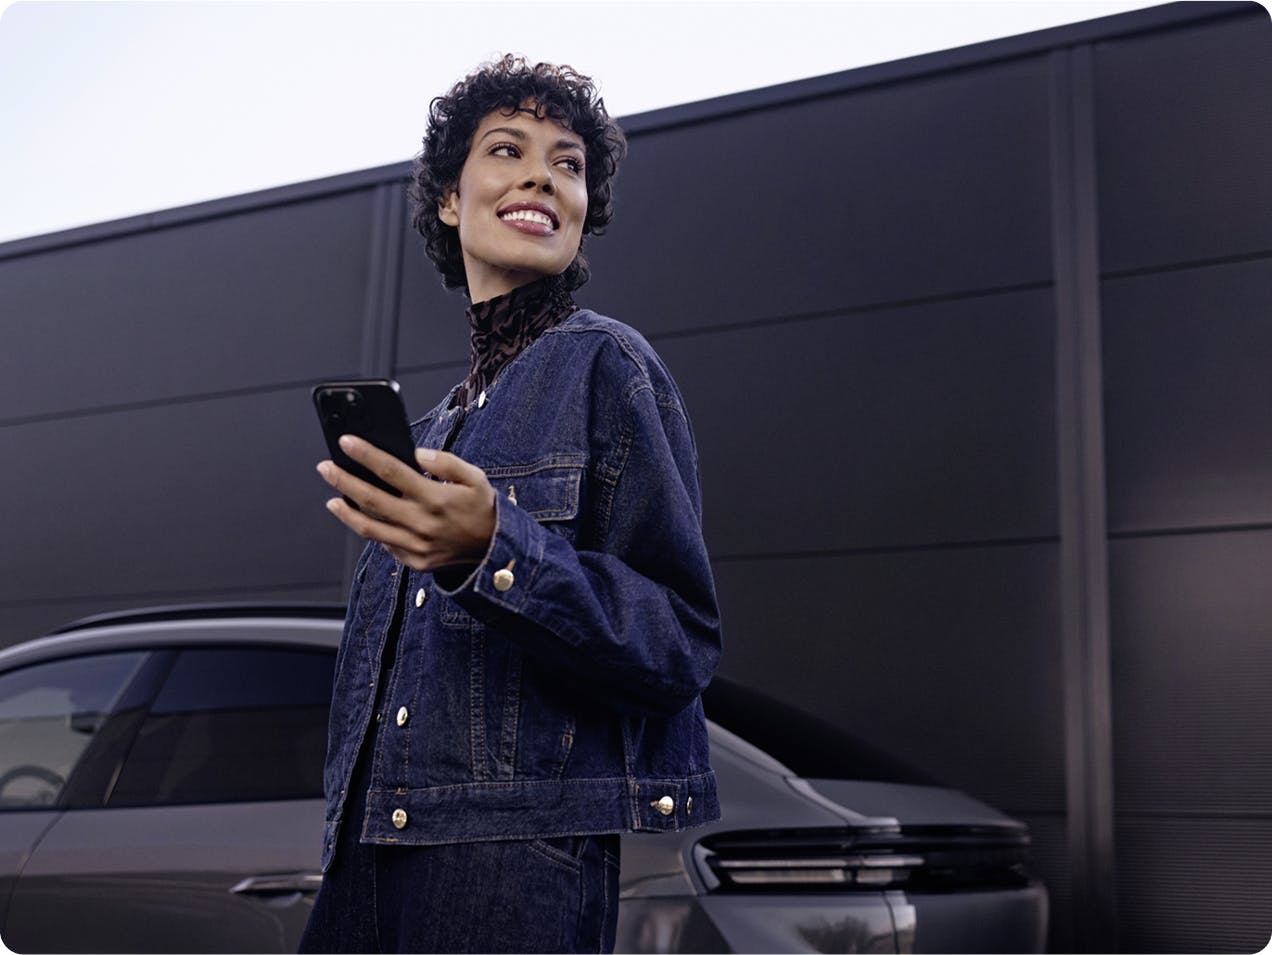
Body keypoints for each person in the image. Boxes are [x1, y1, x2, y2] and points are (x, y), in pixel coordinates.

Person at [300, 54, 722, 954]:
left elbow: (679, 641)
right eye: (507, 149)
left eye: (568, 163)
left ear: (583, 211)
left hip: (508, 869)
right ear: (450, 200)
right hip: (362, 865)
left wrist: (493, 549)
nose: (541, 175)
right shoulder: (431, 431)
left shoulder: (610, 366)